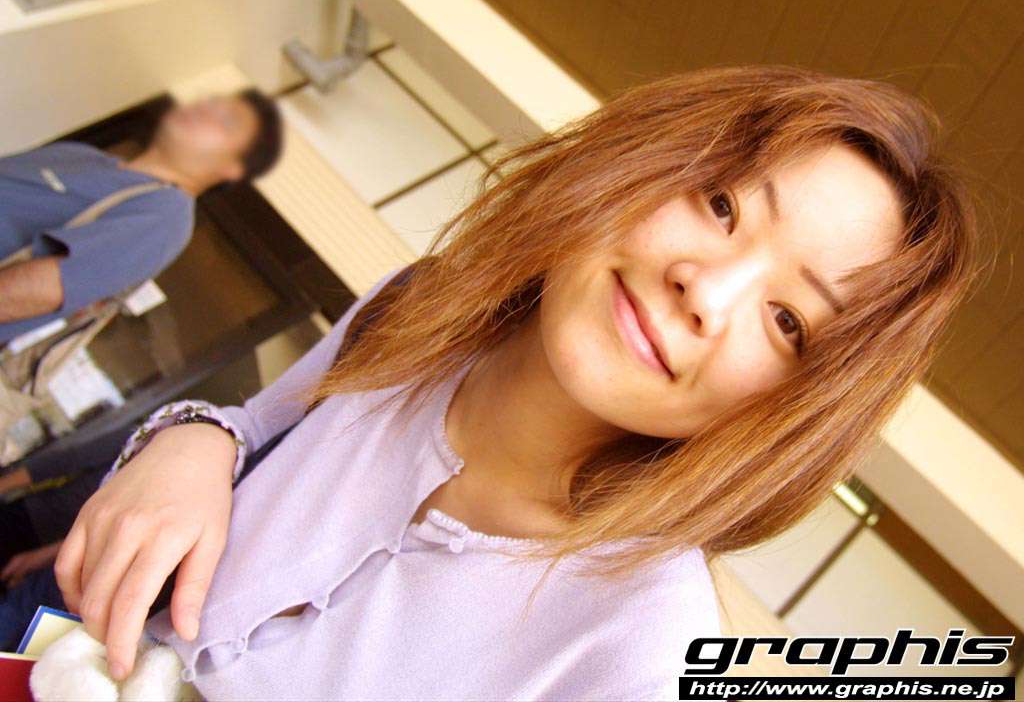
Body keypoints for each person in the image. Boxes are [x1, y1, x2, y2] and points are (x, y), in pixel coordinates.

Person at [53, 65, 979, 700]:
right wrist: (188, 441)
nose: (706, 290)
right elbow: (256, 426)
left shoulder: (636, 655)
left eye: (789, 321)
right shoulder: (421, 306)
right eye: (722, 204)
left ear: (791, 409)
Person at [0, 88, 284, 345]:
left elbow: (42, 290)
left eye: (226, 121)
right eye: (211, 100)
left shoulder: (167, 216)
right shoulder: (81, 154)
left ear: (234, 169)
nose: (204, 108)